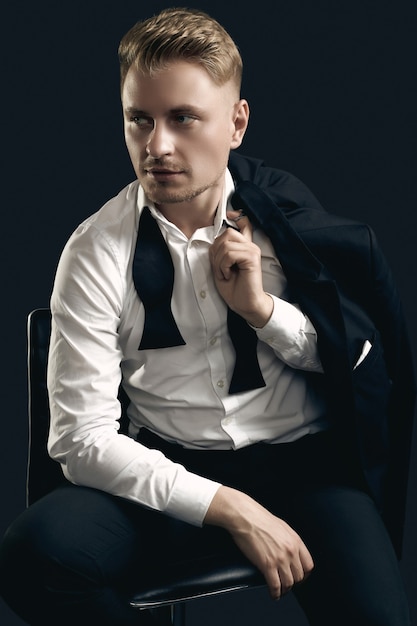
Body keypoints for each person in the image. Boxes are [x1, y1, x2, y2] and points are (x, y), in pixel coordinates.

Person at [0, 7, 415, 626]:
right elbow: (80, 439)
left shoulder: (289, 222)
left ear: (236, 123)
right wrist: (232, 509)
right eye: (139, 119)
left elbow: (349, 357)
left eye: (183, 118)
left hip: (303, 465)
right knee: (33, 557)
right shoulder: (94, 249)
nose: (157, 145)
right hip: (170, 464)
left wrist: (262, 311)